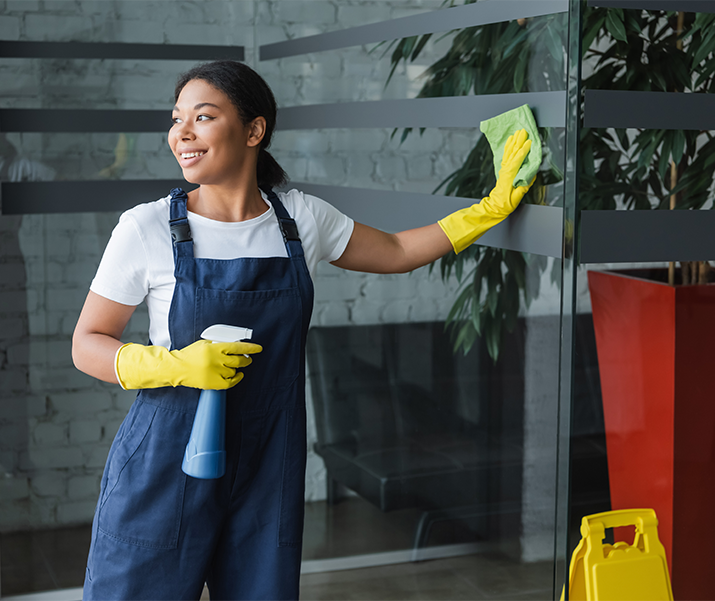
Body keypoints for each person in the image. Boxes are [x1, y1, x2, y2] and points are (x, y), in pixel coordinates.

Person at [71, 59, 533, 601]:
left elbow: (399, 251)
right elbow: (87, 344)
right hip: (167, 457)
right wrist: (173, 365)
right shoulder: (146, 227)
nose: (183, 134)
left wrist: (492, 206)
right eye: (177, 120)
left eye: (203, 117)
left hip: (268, 460)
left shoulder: (301, 220)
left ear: (254, 129)